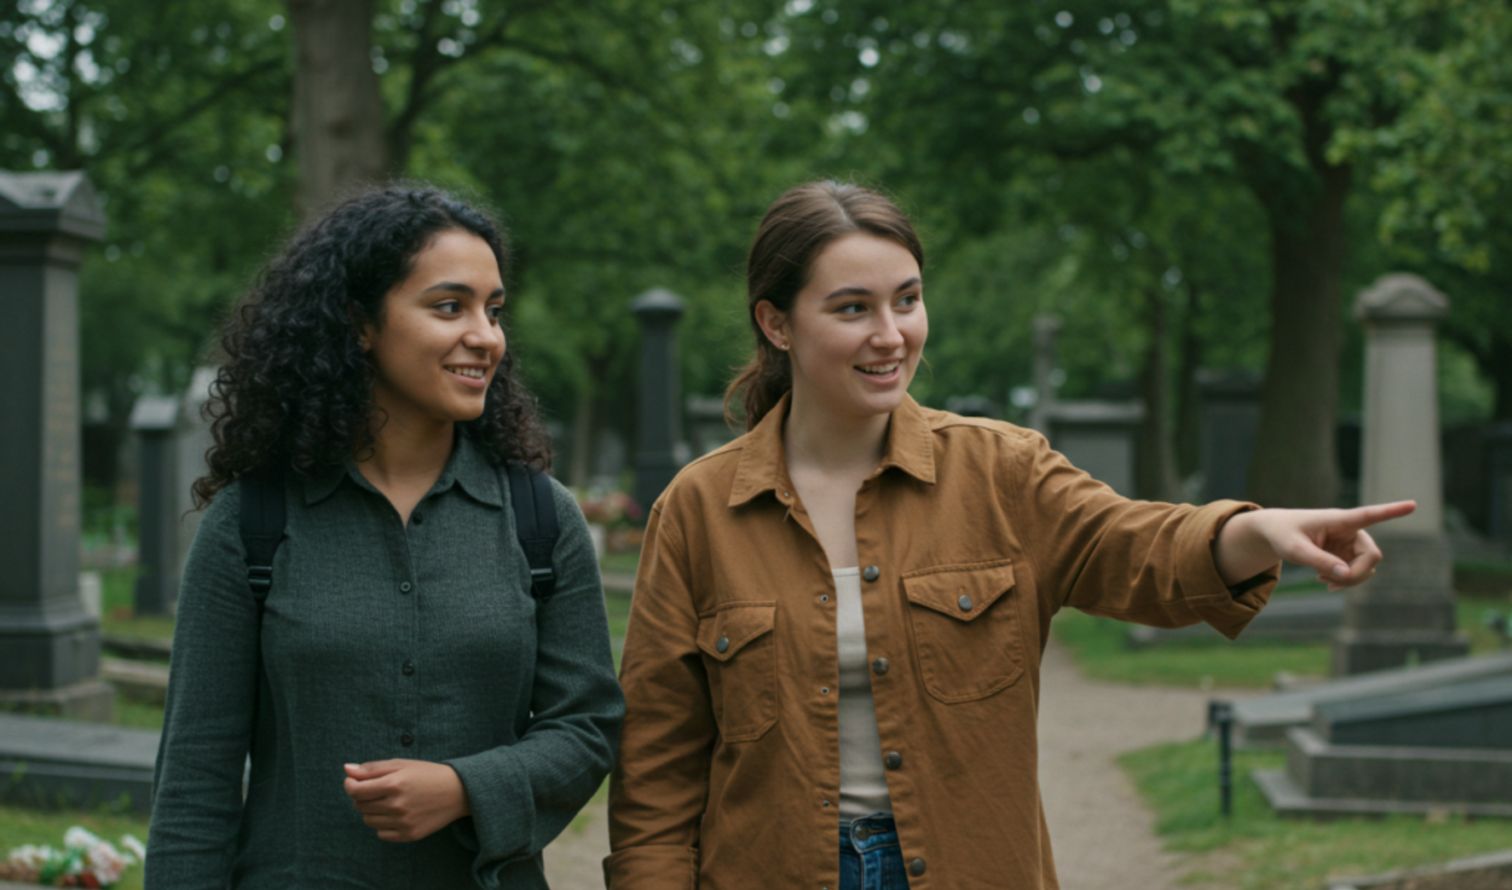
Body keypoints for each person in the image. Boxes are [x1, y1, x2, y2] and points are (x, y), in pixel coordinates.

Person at [604, 180, 1413, 890]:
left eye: (908, 299)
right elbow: (657, 770)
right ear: (776, 324)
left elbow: (1136, 550)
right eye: (853, 308)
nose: (891, 334)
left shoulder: (1001, 472)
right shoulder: (699, 510)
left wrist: (1259, 530)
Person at [145, 185, 624, 890]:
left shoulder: (541, 518)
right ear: (358, 322)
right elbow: (194, 780)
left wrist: (467, 787)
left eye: (494, 311)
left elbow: (587, 726)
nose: (486, 336)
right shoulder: (251, 524)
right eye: (449, 306)